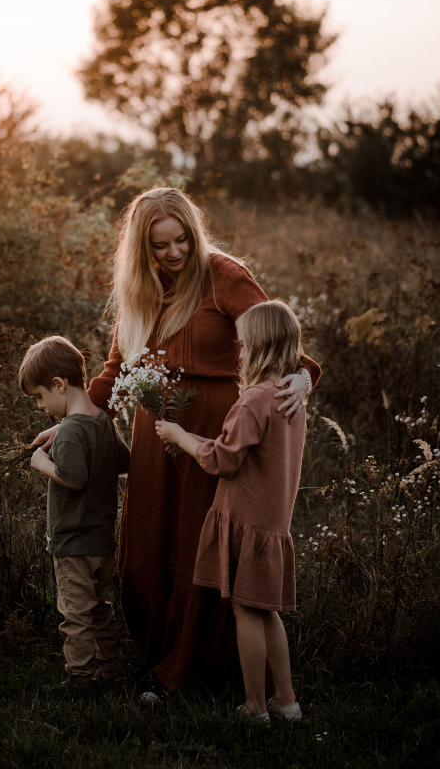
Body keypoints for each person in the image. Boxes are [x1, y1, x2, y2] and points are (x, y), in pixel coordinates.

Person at [33, 187, 320, 696]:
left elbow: (276, 337)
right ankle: (158, 659)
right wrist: (75, 420)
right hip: (154, 430)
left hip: (211, 427)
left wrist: (303, 377)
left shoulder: (224, 276)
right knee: (147, 544)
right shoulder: (138, 290)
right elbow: (115, 370)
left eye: (182, 239)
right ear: (142, 249)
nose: (174, 253)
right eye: (160, 245)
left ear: (193, 232)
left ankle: (194, 671)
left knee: (195, 547)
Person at [155, 300, 306, 723]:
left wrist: (182, 436)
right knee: (267, 610)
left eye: (241, 347)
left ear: (256, 347)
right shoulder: (291, 399)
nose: (238, 353)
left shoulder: (254, 400)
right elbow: (244, 451)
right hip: (273, 523)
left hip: (245, 521)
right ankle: (286, 701)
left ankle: (255, 706)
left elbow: (222, 461)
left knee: (245, 611)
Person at [20, 335, 130, 689]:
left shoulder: (68, 431)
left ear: (58, 384)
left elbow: (73, 477)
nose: (40, 406)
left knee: (75, 615)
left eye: (39, 396)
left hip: (73, 545)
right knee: (100, 606)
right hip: (101, 542)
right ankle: (110, 667)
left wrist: (41, 463)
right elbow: (124, 462)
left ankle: (80, 678)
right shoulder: (102, 421)